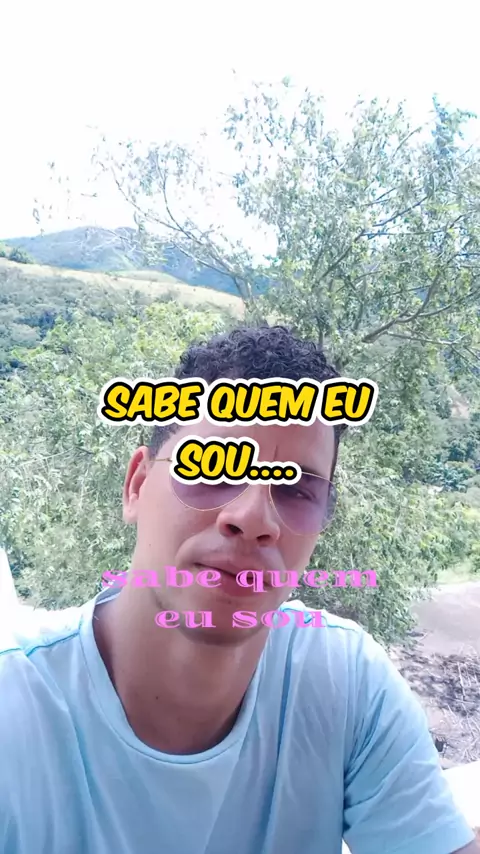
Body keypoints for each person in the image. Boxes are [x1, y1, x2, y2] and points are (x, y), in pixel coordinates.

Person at [0, 324, 477, 854]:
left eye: (296, 489)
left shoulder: (344, 683)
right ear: (137, 485)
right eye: (209, 466)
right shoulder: (14, 706)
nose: (252, 517)